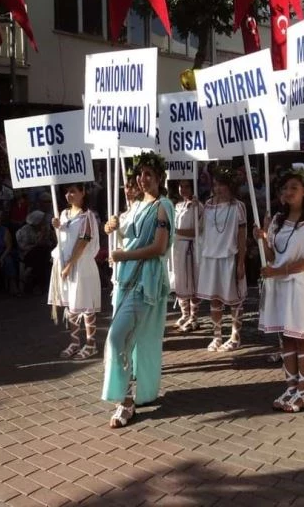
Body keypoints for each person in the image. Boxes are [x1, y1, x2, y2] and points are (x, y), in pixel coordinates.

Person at [101, 152, 175, 428]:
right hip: (125, 280)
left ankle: (125, 400)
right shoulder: (134, 206)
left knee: (116, 337)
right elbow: (121, 232)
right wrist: (111, 226)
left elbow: (158, 247)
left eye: (148, 174)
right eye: (140, 174)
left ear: (159, 178)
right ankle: (133, 394)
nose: (143, 179)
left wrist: (123, 256)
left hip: (146, 282)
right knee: (128, 338)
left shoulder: (163, 206)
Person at [255, 167, 304, 413]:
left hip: (300, 288)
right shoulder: (276, 220)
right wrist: (262, 238)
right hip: (280, 288)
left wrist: (278, 272)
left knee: (302, 341)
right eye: (284, 188)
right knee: (286, 340)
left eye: (294, 187)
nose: (288, 192)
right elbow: (273, 256)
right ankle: (291, 388)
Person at [196, 166, 248, 352]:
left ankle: (235, 336)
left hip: (229, 256)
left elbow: (242, 236)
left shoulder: (237, 206)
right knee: (215, 299)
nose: (218, 189)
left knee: (234, 300)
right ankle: (217, 336)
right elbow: (200, 229)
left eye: (222, 185)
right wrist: (196, 209)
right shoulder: (207, 205)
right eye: (215, 185)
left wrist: (241, 262)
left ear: (230, 186)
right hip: (210, 257)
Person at [48, 183, 101, 360]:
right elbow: (63, 240)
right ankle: (74, 342)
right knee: (71, 305)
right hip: (65, 264)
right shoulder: (63, 214)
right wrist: (56, 226)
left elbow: (83, 241)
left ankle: (91, 344)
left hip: (81, 265)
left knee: (85, 305)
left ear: (82, 192)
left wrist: (70, 265)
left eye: (73, 191)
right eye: (67, 192)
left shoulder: (87, 216)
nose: (68, 195)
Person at [172, 179, 203, 332]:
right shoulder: (177, 206)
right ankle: (184, 314)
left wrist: (176, 232)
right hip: (178, 248)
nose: (183, 189)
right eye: (181, 186)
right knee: (181, 281)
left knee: (193, 282)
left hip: (191, 247)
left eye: (187, 186)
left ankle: (194, 317)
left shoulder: (198, 206)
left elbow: (198, 230)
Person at [16, 210, 54, 292]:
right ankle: (39, 286)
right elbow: (24, 246)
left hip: (41, 254)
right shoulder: (25, 229)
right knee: (41, 252)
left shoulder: (45, 228)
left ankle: (30, 271)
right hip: (27, 253)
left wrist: (48, 234)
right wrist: (41, 237)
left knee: (43, 254)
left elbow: (49, 242)